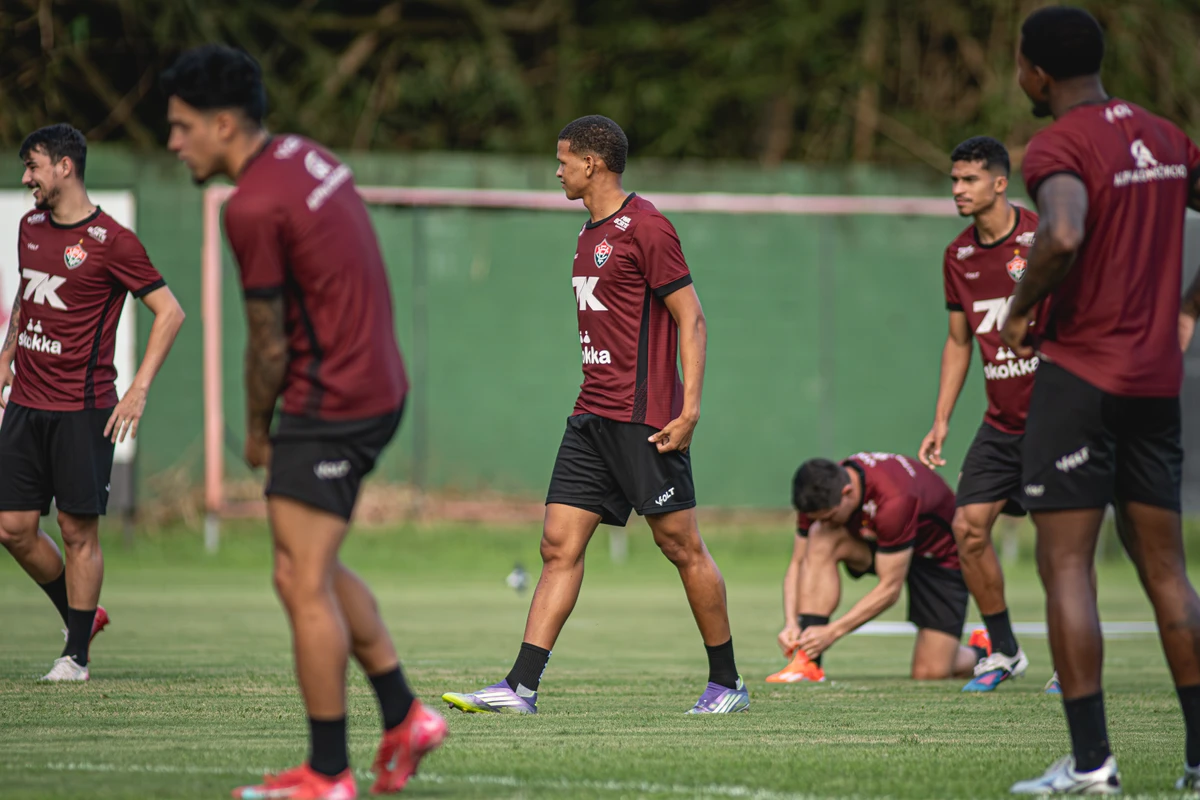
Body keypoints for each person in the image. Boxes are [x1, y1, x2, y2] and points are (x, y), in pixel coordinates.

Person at [162, 45, 445, 799]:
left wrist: (258, 429)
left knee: (298, 578)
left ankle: (328, 773)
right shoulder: (304, 156)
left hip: (333, 399)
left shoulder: (252, 205)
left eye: (183, 127)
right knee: (307, 568)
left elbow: (268, 342)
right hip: (376, 383)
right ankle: (404, 715)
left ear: (224, 124)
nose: (173, 142)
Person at [442, 115, 748, 716]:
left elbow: (693, 318)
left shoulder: (649, 227)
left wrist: (689, 411)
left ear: (593, 164)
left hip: (644, 419)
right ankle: (520, 687)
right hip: (591, 416)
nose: (556, 170)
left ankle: (727, 684)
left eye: (563, 160)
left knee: (681, 546)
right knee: (558, 545)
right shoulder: (588, 233)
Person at [1001, 6, 1200, 794]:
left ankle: (1092, 765)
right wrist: (1188, 308)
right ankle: (1196, 760)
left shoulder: (1058, 142)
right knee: (1167, 572)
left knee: (1068, 569)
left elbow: (1060, 234)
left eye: (1020, 63)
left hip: (1082, 378)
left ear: (1038, 72)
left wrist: (1019, 311)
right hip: (1156, 383)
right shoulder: (1165, 135)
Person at [0, 123, 184, 682]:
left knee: (80, 533)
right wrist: (8, 352)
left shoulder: (112, 242)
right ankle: (80, 615)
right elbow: (29, 293)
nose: (26, 177)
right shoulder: (29, 227)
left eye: (33, 166)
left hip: (83, 410)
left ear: (64, 167)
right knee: (12, 527)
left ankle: (75, 656)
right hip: (26, 404)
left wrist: (139, 388)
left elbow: (170, 312)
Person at [917, 135, 1052, 693]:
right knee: (967, 529)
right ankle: (1004, 650)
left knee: (1060, 538)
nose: (958, 190)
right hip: (1000, 423)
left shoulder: (1046, 237)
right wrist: (942, 417)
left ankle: (1073, 657)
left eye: (969, 180)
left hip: (1055, 417)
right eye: (953, 180)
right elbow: (958, 342)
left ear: (1000, 182)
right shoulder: (959, 256)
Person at [769, 453, 984, 684]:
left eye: (830, 516)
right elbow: (798, 562)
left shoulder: (894, 499)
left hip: (938, 557)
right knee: (821, 535)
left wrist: (833, 631)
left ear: (847, 492)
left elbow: (890, 590)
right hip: (884, 546)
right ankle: (807, 664)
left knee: (930, 673)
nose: (827, 521)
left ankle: (983, 654)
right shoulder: (818, 491)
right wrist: (791, 622)